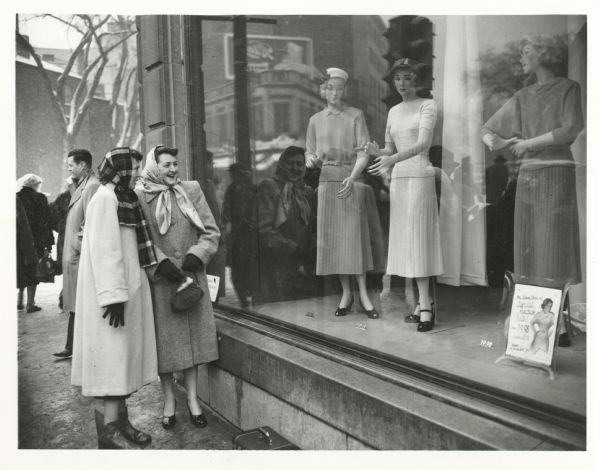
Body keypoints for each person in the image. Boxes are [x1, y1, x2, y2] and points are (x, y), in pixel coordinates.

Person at [481, 35, 583, 345]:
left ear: (544, 53)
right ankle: (536, 323)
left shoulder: (568, 88)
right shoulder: (523, 96)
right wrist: (497, 142)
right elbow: (488, 129)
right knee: (530, 248)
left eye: (527, 51)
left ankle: (559, 325)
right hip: (529, 176)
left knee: (552, 247)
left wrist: (527, 143)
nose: (522, 57)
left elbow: (570, 129)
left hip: (555, 172)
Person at [71, 147, 158, 449]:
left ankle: (121, 422)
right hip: (111, 299)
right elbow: (105, 251)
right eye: (133, 168)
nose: (137, 173)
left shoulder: (122, 197)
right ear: (121, 169)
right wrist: (113, 297)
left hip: (124, 292)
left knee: (119, 363)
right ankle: (108, 432)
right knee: (112, 364)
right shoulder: (107, 200)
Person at [136, 145, 220, 429]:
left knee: (193, 342)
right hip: (162, 282)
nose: (173, 170)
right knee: (167, 347)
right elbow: (140, 241)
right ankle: (169, 399)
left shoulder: (192, 189)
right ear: (153, 166)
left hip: (191, 276)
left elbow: (211, 231)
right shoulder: (140, 196)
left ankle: (193, 398)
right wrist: (161, 264)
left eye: (175, 164)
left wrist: (199, 254)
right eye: (166, 165)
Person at [365, 58, 443, 332]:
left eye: (408, 78)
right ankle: (421, 303)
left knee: (420, 242)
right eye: (397, 79)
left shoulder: (428, 105)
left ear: (417, 80)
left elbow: (423, 143)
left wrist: (391, 158)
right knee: (407, 244)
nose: (402, 83)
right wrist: (376, 152)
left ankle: (425, 306)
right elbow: (389, 148)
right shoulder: (394, 111)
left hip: (420, 175)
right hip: (399, 179)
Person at [305, 67, 383, 319]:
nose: (334, 93)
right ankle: (346, 294)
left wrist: (353, 175)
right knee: (336, 243)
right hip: (327, 182)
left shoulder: (355, 116)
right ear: (323, 90)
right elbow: (310, 152)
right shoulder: (315, 120)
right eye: (329, 88)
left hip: (350, 180)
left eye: (339, 88)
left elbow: (364, 152)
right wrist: (311, 160)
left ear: (344, 90)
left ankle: (363, 294)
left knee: (353, 241)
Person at [254, 146, 317, 303]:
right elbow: (264, 230)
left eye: (299, 164)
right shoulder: (269, 187)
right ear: (281, 165)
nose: (295, 168)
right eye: (290, 163)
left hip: (303, 268)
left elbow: (313, 228)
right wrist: (292, 249)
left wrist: (310, 253)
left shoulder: (307, 192)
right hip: (276, 267)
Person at [54, 149, 100, 359]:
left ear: (83, 165)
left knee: (81, 306)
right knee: (76, 306)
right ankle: (72, 346)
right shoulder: (83, 185)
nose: (68, 168)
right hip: (74, 258)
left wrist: (78, 247)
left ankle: (77, 348)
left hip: (80, 259)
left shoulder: (91, 186)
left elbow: (90, 224)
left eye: (71, 164)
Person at [16, 174, 54, 312]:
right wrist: (48, 244)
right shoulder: (40, 198)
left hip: (18, 240)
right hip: (36, 240)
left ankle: (19, 300)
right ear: (36, 185)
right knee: (33, 270)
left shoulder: (16, 197)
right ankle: (30, 304)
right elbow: (47, 222)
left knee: (20, 268)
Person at [222, 163, 257, 307]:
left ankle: (246, 294)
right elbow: (226, 211)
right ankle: (244, 295)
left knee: (244, 267)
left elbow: (226, 211)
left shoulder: (251, 188)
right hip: (239, 234)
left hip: (247, 234)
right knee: (239, 267)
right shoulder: (233, 189)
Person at [16, 196, 37, 302]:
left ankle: (20, 300)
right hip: (27, 242)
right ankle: (30, 303)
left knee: (20, 272)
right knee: (31, 272)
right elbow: (23, 225)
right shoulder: (15, 199)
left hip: (18, 244)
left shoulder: (18, 196)